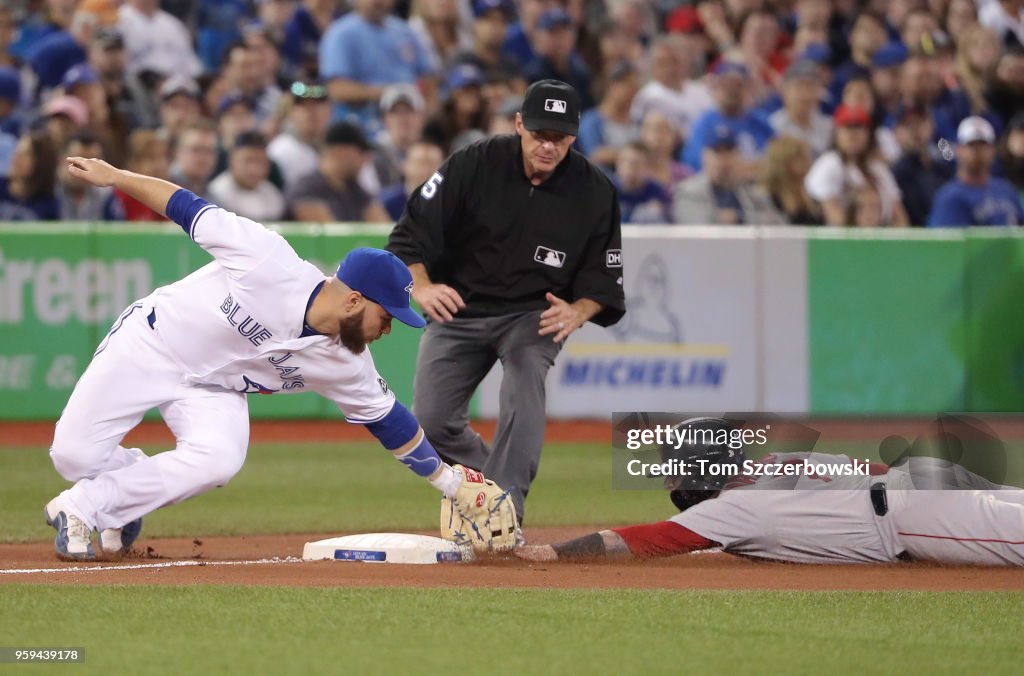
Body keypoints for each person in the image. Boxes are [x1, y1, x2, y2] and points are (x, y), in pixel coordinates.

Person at [43, 154, 511, 560]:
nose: (388, 328)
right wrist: (115, 176)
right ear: (353, 301)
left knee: (219, 459)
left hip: (214, 390)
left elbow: (389, 420)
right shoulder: (267, 260)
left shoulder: (347, 362)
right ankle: (123, 494)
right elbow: (186, 207)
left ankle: (83, 508)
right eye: (386, 316)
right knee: (73, 455)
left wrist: (449, 482)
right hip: (151, 345)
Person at [386, 79, 626, 521]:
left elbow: (604, 279)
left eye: (559, 138)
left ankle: (504, 511)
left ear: (573, 136)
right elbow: (409, 234)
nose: (549, 146)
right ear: (519, 124)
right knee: (432, 424)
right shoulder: (473, 163)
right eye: (539, 134)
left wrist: (578, 310)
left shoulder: (594, 191)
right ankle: (495, 484)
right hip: (460, 308)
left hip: (533, 314)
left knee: (523, 383)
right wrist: (421, 286)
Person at [515, 417, 1024, 566]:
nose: (670, 480)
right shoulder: (772, 464)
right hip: (923, 477)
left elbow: (644, 539)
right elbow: (868, 465)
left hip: (914, 515)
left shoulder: (735, 509)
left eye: (676, 468)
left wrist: (548, 553)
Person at [804, 104, 908, 227]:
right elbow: (834, 216)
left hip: (879, 239)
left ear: (868, 134)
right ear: (837, 132)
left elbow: (899, 217)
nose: (853, 134)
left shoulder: (878, 169)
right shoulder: (828, 164)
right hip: (840, 241)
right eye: (847, 128)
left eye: (858, 127)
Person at [672, 124, 783, 226]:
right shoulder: (687, 191)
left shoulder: (752, 192)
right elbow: (692, 222)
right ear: (704, 156)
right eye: (717, 151)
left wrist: (739, 217)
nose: (723, 158)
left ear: (738, 155)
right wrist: (722, 220)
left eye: (729, 150)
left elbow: (777, 223)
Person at [285, 120, 389, 222]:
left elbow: (381, 227)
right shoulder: (306, 190)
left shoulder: (355, 190)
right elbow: (331, 236)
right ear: (342, 152)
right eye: (362, 153)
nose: (366, 160)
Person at [928, 116, 1024, 226]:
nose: (977, 151)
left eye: (983, 145)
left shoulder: (1007, 191)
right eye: (971, 145)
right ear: (959, 149)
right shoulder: (949, 197)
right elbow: (948, 241)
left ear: (992, 150)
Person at [208, 131, 286, 222]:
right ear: (232, 161)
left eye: (260, 162)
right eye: (248, 161)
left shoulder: (273, 195)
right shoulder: (217, 194)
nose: (254, 169)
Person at [759, 136, 820, 225]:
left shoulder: (813, 193)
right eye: (801, 157)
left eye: (807, 156)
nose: (808, 162)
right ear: (784, 162)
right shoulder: (767, 198)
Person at [379, 139, 445, 220]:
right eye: (419, 163)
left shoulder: (453, 202)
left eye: (431, 164)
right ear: (405, 166)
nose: (425, 170)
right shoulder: (385, 203)